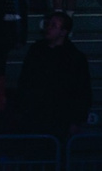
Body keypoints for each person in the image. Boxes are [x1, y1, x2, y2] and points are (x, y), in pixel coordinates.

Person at [15, 11, 92, 143]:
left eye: (53, 25)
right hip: (34, 114)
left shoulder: (75, 57)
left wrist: (76, 121)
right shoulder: (36, 50)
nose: (48, 28)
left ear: (63, 32)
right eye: (48, 24)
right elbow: (24, 81)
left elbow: (82, 90)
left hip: (60, 117)